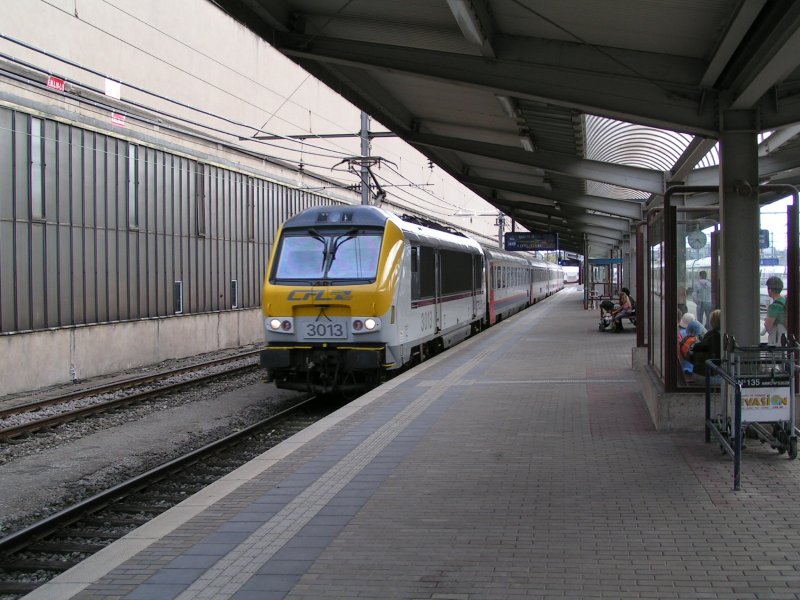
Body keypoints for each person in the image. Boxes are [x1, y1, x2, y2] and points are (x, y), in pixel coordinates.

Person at [688, 309, 721, 381]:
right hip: (709, 376)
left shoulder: (710, 335)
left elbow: (693, 352)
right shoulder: (717, 337)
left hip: (700, 373)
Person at [763, 276, 787, 346]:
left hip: (777, 341)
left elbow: (768, 326)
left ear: (770, 290)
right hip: (786, 337)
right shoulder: (784, 300)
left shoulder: (774, 306)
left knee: (776, 356)